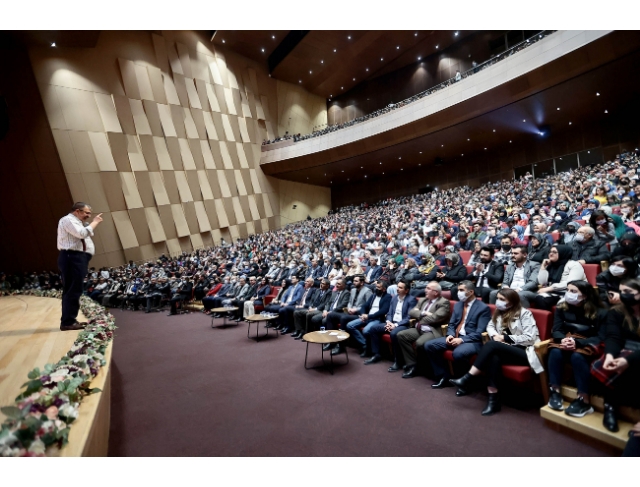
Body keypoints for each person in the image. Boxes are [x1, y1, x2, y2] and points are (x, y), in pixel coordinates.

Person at [450, 288, 542, 415]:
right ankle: (493, 400)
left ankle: (469, 377)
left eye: (502, 299)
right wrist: (495, 336)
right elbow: (490, 326)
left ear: (512, 302)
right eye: (497, 298)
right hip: (504, 349)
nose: (498, 302)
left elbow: (530, 338)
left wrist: (504, 338)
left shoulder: (524, 314)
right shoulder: (499, 312)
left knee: (492, 346)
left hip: (524, 352)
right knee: (494, 357)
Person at [546, 281, 607, 417]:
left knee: (577, 356)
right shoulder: (562, 307)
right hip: (566, 339)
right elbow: (556, 329)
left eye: (573, 291)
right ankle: (554, 392)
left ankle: (584, 400)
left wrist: (577, 342)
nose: (568, 294)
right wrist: (563, 339)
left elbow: (601, 337)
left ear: (585, 295)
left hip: (587, 344)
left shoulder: (601, 312)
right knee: (555, 351)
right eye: (568, 290)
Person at [424, 281, 491, 389]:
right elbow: (451, 324)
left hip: (472, 341)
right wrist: (450, 335)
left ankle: (465, 384)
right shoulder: (458, 304)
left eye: (461, 290)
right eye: (458, 290)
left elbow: (480, 332)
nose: (458, 293)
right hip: (455, 336)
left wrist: (462, 340)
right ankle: (443, 376)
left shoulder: (483, 308)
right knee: (429, 345)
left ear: (471, 292)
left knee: (458, 353)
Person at [597, 279, 640, 433]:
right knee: (609, 363)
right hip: (626, 348)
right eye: (622, 291)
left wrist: (628, 360)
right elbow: (613, 337)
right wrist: (610, 355)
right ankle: (610, 406)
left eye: (628, 292)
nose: (623, 295)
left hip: (637, 354)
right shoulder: (616, 311)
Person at [57, 202, 103, 331]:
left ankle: (70, 320)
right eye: (86, 213)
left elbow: (86, 233)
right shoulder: (68, 220)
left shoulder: (77, 221)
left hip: (76, 258)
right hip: (72, 257)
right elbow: (82, 234)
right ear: (77, 211)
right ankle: (67, 322)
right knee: (73, 290)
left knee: (73, 290)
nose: (89, 215)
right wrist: (95, 222)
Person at [397, 282, 451, 378]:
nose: (425, 290)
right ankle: (412, 365)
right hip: (419, 329)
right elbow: (412, 312)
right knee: (401, 335)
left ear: (436, 292)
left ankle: (421, 366)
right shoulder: (423, 300)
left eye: (428, 288)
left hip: (432, 330)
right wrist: (423, 313)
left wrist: (420, 317)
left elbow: (435, 318)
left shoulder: (443, 302)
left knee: (419, 343)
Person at [362, 280, 417, 370]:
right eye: (397, 287)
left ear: (406, 290)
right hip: (391, 323)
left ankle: (398, 361)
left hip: (403, 325)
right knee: (373, 329)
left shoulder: (411, 300)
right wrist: (388, 322)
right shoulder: (394, 298)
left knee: (394, 334)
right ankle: (377, 354)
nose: (397, 289)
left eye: (400, 287)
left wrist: (395, 325)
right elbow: (390, 313)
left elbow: (408, 317)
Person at [345, 280, 393, 356]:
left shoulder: (388, 297)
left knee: (366, 331)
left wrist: (368, 316)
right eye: (376, 286)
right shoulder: (374, 295)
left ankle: (367, 348)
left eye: (378, 287)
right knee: (349, 325)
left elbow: (383, 311)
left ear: (384, 289)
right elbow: (364, 306)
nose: (376, 288)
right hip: (367, 317)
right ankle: (365, 345)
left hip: (377, 319)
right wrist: (363, 314)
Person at [535, 244, 587, 310]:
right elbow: (542, 282)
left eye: (554, 252)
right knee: (539, 298)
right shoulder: (550, 265)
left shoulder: (574, 265)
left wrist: (549, 288)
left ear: (563, 253)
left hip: (570, 293)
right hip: (555, 293)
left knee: (543, 300)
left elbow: (572, 283)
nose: (551, 254)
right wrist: (543, 267)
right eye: (550, 252)